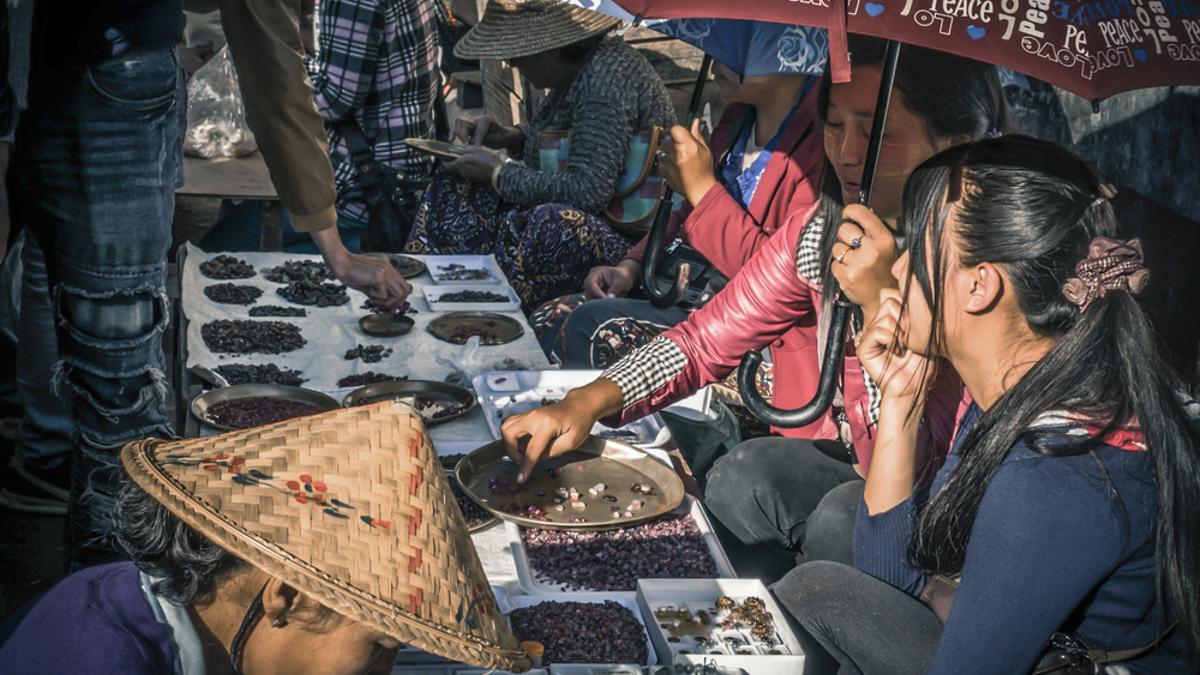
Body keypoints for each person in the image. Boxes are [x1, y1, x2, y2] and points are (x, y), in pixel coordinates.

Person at [500, 38, 1002, 578]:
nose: (850, 151)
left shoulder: (986, 264)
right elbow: (704, 340)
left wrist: (881, 302)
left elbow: (927, 456)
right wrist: (584, 403)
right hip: (851, 452)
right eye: (834, 125)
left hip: (949, 501)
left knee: (839, 520)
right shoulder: (824, 229)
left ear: (956, 142)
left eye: (876, 129)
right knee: (743, 478)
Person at [774, 135, 1199, 674]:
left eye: (918, 249)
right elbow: (899, 585)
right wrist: (900, 400)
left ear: (980, 286)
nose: (898, 272)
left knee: (813, 593)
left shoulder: (1058, 473)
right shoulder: (1030, 380)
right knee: (839, 535)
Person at [15, 0, 411, 568]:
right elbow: (271, 59)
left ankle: (105, 593)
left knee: (108, 393)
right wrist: (335, 249)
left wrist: (335, 250)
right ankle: (122, 603)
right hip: (95, 82)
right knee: (117, 398)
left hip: (77, 72)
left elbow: (271, 53)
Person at [0, 404, 528, 673]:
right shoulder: (97, 661)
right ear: (287, 596)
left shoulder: (150, 603)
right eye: (377, 648)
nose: (381, 674)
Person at [530, 49, 828, 370]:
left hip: (752, 328)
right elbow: (684, 212)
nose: (717, 58)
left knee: (594, 328)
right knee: (549, 317)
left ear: (788, 48)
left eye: (739, 43)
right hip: (690, 290)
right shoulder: (739, 116)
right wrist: (629, 268)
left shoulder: (819, 145)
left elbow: (780, 283)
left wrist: (703, 190)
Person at [404, 0, 677, 310]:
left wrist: (499, 173)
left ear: (553, 47)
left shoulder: (607, 76)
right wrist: (512, 136)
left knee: (550, 223)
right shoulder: (575, 73)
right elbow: (576, 139)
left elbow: (587, 192)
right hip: (592, 216)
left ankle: (494, 310)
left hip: (628, 245)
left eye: (519, 53)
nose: (512, 61)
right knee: (453, 184)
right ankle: (439, 293)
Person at [200, 0, 439, 255]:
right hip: (400, 175)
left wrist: (263, 78)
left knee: (215, 248)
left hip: (367, 190)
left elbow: (333, 98)